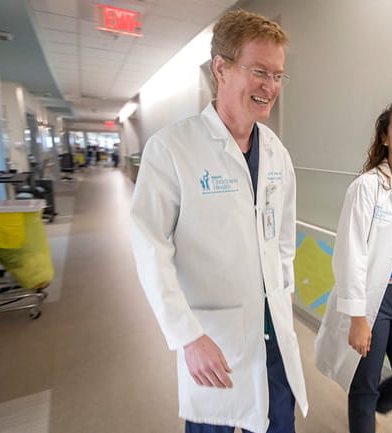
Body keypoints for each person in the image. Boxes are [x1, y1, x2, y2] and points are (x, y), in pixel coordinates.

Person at [129, 10, 308, 433]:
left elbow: (283, 239)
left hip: (274, 336)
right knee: (215, 423)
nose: (271, 86)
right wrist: (187, 336)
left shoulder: (277, 153)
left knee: (278, 422)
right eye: (260, 71)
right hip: (212, 339)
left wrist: (282, 295)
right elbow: (149, 247)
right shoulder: (172, 149)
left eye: (279, 75)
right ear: (221, 68)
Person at [314, 97, 392, 433]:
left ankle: (370, 407)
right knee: (364, 383)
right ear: (385, 137)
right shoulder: (366, 187)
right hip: (374, 299)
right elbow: (349, 253)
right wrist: (358, 316)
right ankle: (363, 413)